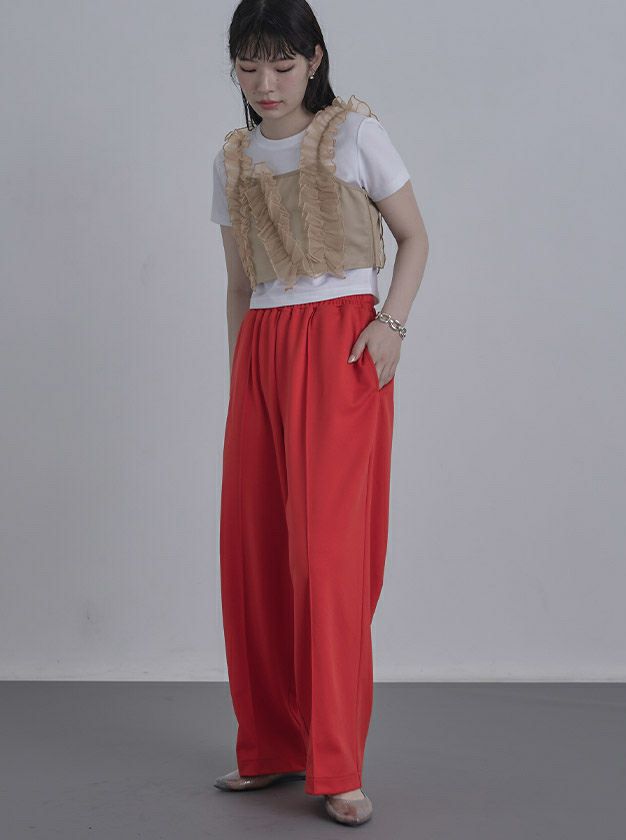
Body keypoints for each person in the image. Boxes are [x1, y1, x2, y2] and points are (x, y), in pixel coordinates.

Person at [210, 0, 429, 826]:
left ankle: (337, 763)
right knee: (256, 552)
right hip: (263, 354)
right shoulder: (232, 159)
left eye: (282, 64)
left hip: (340, 348)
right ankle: (270, 746)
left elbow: (415, 238)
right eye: (249, 67)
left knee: (329, 560)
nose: (266, 84)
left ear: (315, 58)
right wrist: (240, 375)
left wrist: (390, 326)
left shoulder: (354, 135)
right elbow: (239, 284)